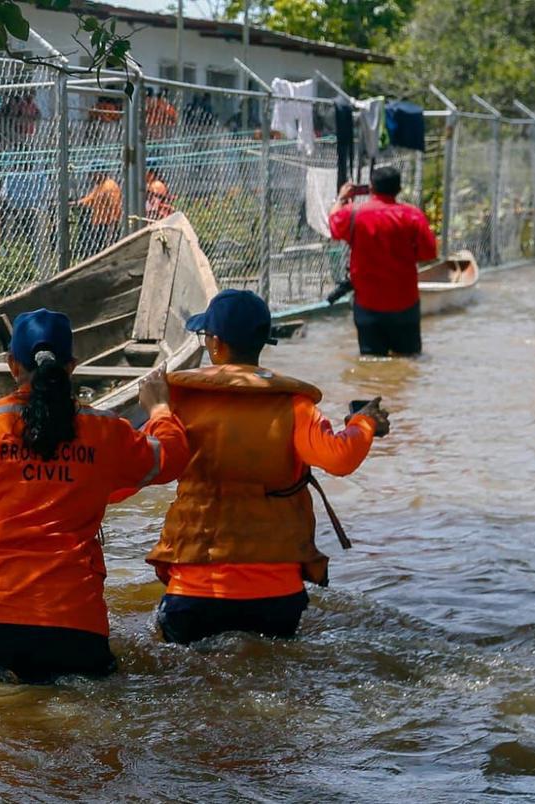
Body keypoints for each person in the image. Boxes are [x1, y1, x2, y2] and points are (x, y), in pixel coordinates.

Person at [0, 309, 189, 682]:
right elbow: (171, 458)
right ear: (73, 366)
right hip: (73, 626)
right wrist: (160, 409)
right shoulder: (105, 430)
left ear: (12, 364)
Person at [147, 290, 391, 645]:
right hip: (277, 598)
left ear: (214, 344)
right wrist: (364, 423)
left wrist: (157, 411)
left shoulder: (179, 404)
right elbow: (340, 458)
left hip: (195, 593)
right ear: (264, 341)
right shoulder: (295, 406)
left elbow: (141, 465)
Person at [328, 165, 438, 356]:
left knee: (371, 362)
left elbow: (334, 225)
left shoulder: (354, 213)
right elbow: (428, 253)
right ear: (399, 189)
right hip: (405, 303)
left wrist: (341, 199)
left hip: (368, 303)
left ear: (371, 187)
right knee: (409, 360)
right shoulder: (412, 215)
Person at [75, 165, 123, 255]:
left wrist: (112, 224)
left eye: (92, 174)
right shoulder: (99, 186)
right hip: (100, 224)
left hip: (108, 224)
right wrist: (75, 203)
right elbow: (90, 199)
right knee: (97, 250)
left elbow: (114, 206)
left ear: (99, 173)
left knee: (107, 250)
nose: (90, 177)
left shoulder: (109, 186)